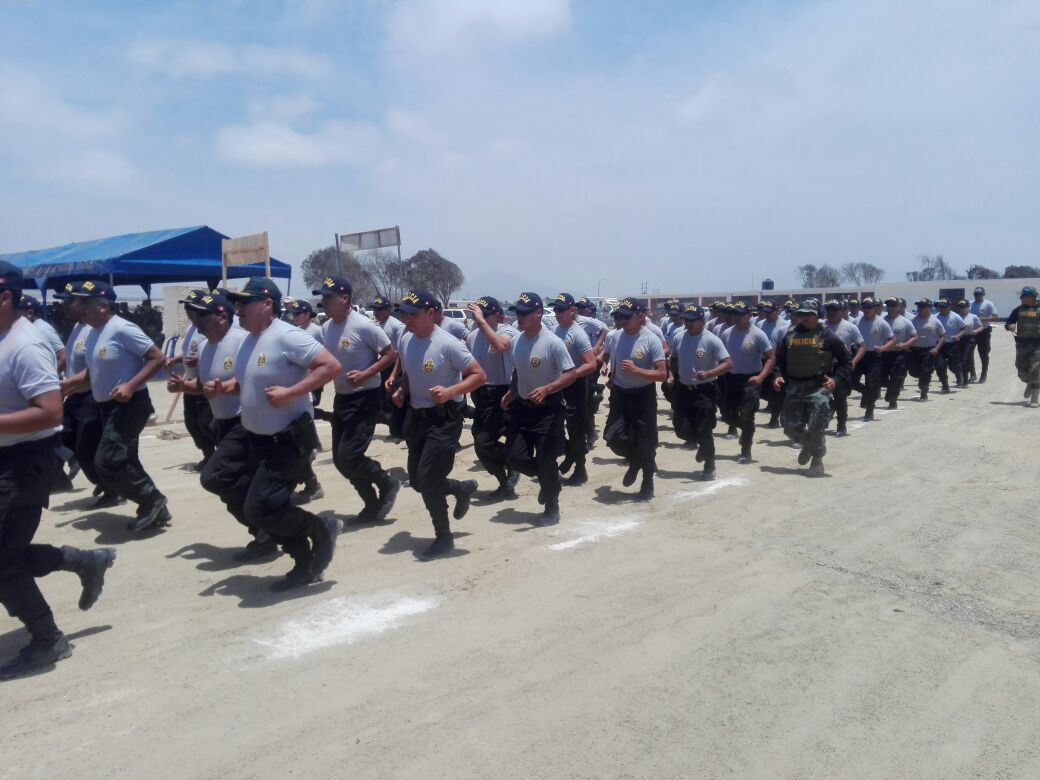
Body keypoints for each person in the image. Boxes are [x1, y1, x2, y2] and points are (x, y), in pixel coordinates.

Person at [0, 262, 116, 680]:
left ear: (6, 297)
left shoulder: (25, 346)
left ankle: (48, 639)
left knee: (1, 562)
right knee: (5, 554)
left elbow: (49, 412)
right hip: (5, 458)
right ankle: (81, 561)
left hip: (23, 464)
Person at [224, 277, 344, 590]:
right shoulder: (249, 339)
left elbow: (330, 366)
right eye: (236, 302)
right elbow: (248, 380)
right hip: (257, 437)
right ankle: (304, 559)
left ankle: (319, 529)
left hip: (287, 439)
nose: (238, 309)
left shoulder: (287, 336)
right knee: (252, 500)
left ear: (267, 304)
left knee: (260, 507)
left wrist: (291, 392)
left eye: (244, 302)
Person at [169, 292, 271, 559]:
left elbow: (254, 380)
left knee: (214, 477)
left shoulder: (241, 341)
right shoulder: (204, 347)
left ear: (222, 317)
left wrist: (224, 388)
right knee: (235, 481)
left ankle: (265, 521)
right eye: (195, 315)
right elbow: (204, 387)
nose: (197, 321)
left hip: (243, 422)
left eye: (203, 315)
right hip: (221, 424)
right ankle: (263, 528)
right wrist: (184, 386)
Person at [62, 281, 169, 532]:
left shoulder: (122, 328)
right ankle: (156, 509)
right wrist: (68, 385)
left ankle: (151, 499)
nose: (80, 307)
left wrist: (130, 385)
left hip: (130, 404)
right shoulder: (92, 333)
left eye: (84, 303)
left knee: (108, 460)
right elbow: (93, 370)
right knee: (126, 459)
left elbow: (157, 357)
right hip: (106, 406)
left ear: (101, 306)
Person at [393, 289, 485, 560]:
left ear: (429, 313)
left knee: (429, 480)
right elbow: (411, 371)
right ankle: (459, 488)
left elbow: (479, 375)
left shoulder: (448, 343)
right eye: (404, 314)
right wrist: (402, 389)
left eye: (413, 314)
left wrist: (450, 391)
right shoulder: (406, 339)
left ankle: (444, 539)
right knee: (419, 481)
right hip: (417, 417)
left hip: (444, 419)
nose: (406, 319)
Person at [317, 276, 400, 522]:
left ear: (344, 299)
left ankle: (386, 482)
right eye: (322, 297)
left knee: (350, 455)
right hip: (342, 397)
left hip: (365, 398)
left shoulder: (364, 326)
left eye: (328, 297)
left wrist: (366, 373)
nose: (323, 302)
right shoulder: (326, 327)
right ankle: (371, 503)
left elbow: (390, 354)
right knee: (340, 460)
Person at [501, 292, 577, 524]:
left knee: (546, 459)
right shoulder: (517, 340)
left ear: (538, 314)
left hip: (548, 410)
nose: (519, 317)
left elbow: (571, 373)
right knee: (514, 457)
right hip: (523, 409)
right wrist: (512, 392)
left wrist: (548, 389)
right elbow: (518, 371)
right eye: (517, 312)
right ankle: (549, 479)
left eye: (524, 313)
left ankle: (551, 507)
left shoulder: (552, 342)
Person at [773, 302, 851, 477]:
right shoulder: (790, 336)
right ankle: (807, 444)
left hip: (818, 387)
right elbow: (779, 361)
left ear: (817, 316)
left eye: (810, 314)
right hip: (794, 386)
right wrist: (778, 375)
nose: (805, 317)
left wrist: (835, 380)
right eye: (802, 314)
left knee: (817, 425)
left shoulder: (828, 337)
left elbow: (846, 362)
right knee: (788, 425)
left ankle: (817, 460)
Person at [602, 297, 666, 499]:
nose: (621, 320)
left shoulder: (651, 339)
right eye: (620, 316)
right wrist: (612, 377)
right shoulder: (616, 337)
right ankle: (636, 460)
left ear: (640, 316)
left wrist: (637, 370)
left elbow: (662, 374)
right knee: (612, 437)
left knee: (645, 441)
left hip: (642, 396)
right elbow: (614, 360)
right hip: (620, 394)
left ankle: (647, 482)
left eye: (626, 317)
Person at [55, 283, 111, 504]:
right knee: (62, 437)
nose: (64, 306)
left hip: (89, 397)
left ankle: (110, 487)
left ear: (82, 303)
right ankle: (81, 469)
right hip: (74, 396)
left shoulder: (91, 330)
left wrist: (67, 384)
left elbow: (93, 368)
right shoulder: (77, 327)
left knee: (87, 448)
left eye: (68, 302)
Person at [668, 304, 731, 481]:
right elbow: (673, 359)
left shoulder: (711, 340)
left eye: (692, 321)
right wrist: (671, 375)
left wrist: (709, 373)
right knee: (681, 429)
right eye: (685, 320)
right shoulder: (679, 337)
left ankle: (709, 464)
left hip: (705, 390)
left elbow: (727, 363)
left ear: (701, 321)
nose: (687, 324)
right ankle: (702, 445)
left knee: (704, 430)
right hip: (683, 389)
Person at [466, 296, 520, 499]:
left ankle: (513, 465)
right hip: (481, 393)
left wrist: (481, 322)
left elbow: (499, 346)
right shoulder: (472, 337)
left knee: (485, 441)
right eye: (477, 314)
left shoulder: (506, 332)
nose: (479, 317)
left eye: (484, 314)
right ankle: (504, 480)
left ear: (497, 315)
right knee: (480, 443)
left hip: (503, 391)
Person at [550, 293, 598, 486]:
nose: (557, 313)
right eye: (555, 309)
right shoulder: (554, 331)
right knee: (555, 426)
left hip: (575, 387)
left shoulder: (577, 333)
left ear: (572, 311)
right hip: (557, 384)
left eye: (561, 310)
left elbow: (591, 364)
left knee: (575, 428)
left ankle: (580, 468)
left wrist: (571, 374)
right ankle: (570, 455)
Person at [719, 302, 775, 462]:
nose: (735, 318)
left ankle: (746, 448)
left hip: (751, 380)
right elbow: (722, 357)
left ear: (749, 316)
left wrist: (761, 377)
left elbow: (771, 358)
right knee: (726, 414)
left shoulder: (758, 334)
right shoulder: (727, 333)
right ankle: (747, 430)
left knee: (747, 415)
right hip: (731, 378)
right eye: (734, 314)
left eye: (739, 314)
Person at [166, 290, 215, 472]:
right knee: (191, 423)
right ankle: (208, 455)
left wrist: (199, 360)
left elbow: (214, 352)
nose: (188, 312)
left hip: (203, 384)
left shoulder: (208, 328)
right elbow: (188, 353)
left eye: (192, 308)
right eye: (186, 308)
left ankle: (215, 457)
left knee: (206, 423)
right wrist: (176, 359)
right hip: (188, 383)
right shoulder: (190, 329)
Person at [824, 301, 864, 436]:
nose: (831, 313)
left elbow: (862, 346)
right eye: (828, 310)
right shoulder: (822, 327)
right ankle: (826, 415)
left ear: (842, 311)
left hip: (841, 366)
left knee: (840, 397)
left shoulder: (850, 327)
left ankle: (841, 426)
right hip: (824, 367)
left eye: (834, 310)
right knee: (823, 396)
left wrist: (854, 361)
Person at [852, 297, 895, 421]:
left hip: (874, 356)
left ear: (875, 308)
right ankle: (865, 392)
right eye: (864, 307)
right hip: (858, 355)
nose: (866, 310)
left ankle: (869, 410)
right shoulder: (856, 322)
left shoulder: (881, 323)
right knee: (851, 381)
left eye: (869, 307)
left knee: (872, 384)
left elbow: (892, 339)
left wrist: (883, 348)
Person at [372, 295, 407, 438]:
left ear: (388, 310)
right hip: (384, 366)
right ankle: (394, 425)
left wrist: (394, 372)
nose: (376, 312)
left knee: (392, 398)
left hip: (395, 367)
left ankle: (399, 428)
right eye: (375, 309)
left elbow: (400, 350)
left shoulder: (396, 326)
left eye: (379, 310)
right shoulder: (378, 325)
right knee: (383, 401)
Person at [1005, 286, 1040, 407]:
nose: (1021, 298)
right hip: (1022, 343)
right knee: (1021, 370)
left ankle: (1035, 397)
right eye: (1021, 296)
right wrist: (1009, 326)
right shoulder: (1018, 310)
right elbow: (1008, 322)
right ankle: (1030, 383)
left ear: (1033, 297)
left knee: (1035, 368)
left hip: (1037, 343)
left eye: (1024, 296)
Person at [882, 296, 917, 410]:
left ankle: (892, 399)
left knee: (896, 377)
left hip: (899, 353)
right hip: (884, 354)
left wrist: (905, 344)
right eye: (888, 305)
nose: (890, 308)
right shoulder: (882, 320)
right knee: (881, 377)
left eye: (893, 305)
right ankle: (890, 391)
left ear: (899, 307)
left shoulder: (905, 321)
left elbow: (915, 336)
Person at [16, 296, 66, 375]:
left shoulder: (43, 329)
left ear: (30, 313)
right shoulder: (30, 327)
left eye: (18, 312)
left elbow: (63, 356)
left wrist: (49, 380)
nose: (15, 315)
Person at [908, 299, 945, 401]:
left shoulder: (935, 321)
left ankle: (924, 391)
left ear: (929, 308)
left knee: (925, 370)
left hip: (928, 350)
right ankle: (923, 378)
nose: (919, 309)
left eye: (922, 307)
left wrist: (937, 348)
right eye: (918, 307)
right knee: (913, 372)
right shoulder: (912, 320)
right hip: (914, 350)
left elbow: (942, 336)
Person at [934, 299, 966, 391]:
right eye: (940, 307)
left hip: (953, 345)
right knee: (940, 365)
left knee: (954, 365)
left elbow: (963, 329)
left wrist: (958, 336)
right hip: (940, 345)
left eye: (944, 307)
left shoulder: (956, 317)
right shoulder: (935, 317)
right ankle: (945, 385)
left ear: (949, 306)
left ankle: (959, 376)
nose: (942, 309)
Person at [968, 286, 999, 383]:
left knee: (983, 354)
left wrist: (981, 319)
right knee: (968, 353)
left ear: (983, 294)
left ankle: (983, 374)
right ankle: (972, 374)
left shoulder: (988, 304)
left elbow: (995, 317)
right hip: (971, 332)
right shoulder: (970, 304)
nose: (977, 296)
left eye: (979, 294)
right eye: (976, 294)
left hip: (984, 332)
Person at [956, 299, 984, 388]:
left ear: (968, 307)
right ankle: (961, 378)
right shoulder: (956, 316)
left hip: (970, 339)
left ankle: (965, 380)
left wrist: (976, 331)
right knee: (959, 360)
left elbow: (981, 327)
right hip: (959, 339)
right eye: (960, 307)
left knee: (965, 358)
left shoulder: (973, 316)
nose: (962, 309)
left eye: (964, 307)